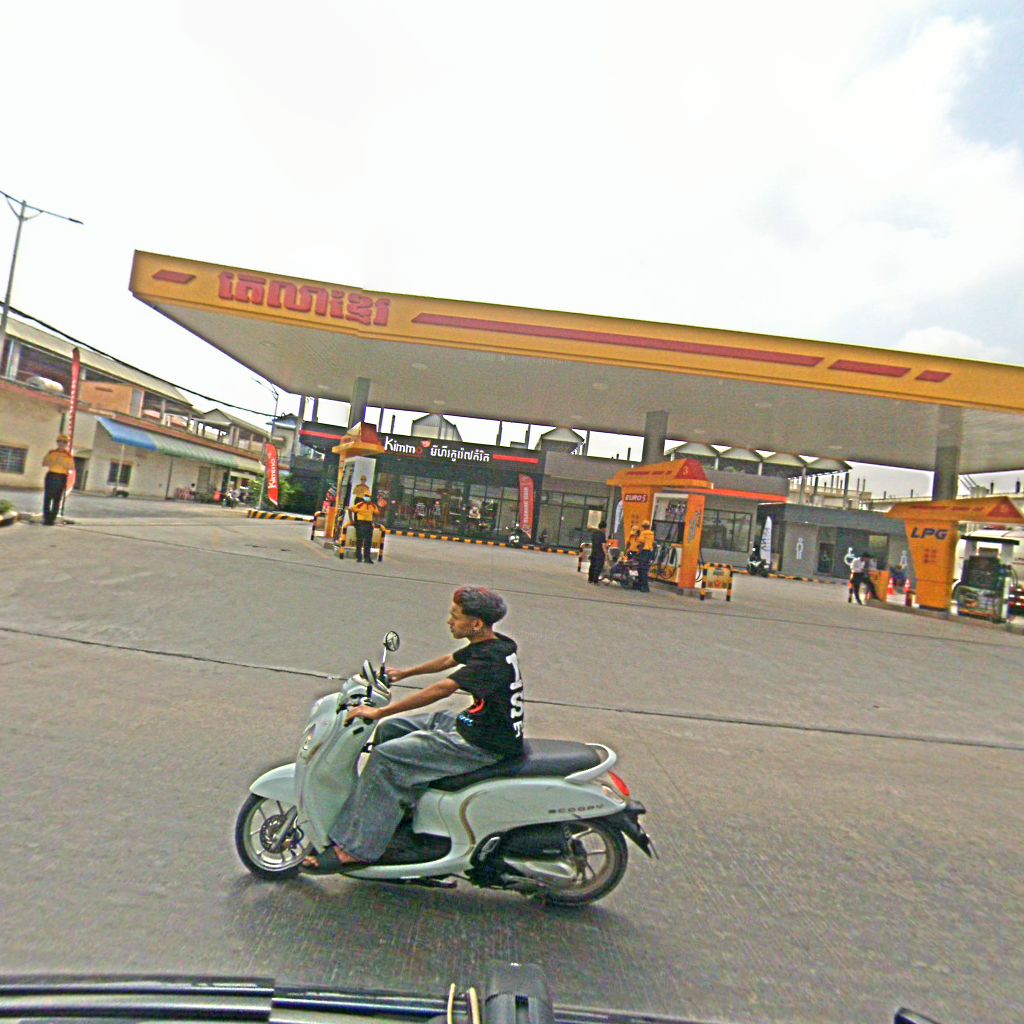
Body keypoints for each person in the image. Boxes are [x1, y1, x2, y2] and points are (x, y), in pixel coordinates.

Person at [302, 586, 523, 873]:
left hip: (481, 743)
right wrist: (405, 673)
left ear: (476, 623)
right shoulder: (495, 644)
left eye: (455, 616)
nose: (449, 621)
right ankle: (392, 813)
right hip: (474, 725)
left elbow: (442, 689)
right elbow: (449, 661)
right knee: (392, 730)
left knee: (386, 757)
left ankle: (354, 849)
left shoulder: (490, 660)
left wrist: (379, 711)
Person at [40, 434, 75, 525]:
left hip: (61, 477)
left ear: (66, 444)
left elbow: (72, 468)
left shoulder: (68, 455)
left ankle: (52, 519)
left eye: (64, 442)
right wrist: (51, 462)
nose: (62, 444)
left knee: (57, 498)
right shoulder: (51, 452)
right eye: (60, 441)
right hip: (51, 475)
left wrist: (63, 463)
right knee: (47, 498)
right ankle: (46, 518)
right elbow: (44, 463)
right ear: (57, 442)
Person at [349, 494, 380, 562]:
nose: (367, 498)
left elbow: (377, 513)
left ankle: (367, 558)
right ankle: (359, 557)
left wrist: (375, 522)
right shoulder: (360, 504)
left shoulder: (373, 505)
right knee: (359, 541)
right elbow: (350, 510)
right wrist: (351, 521)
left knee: (368, 541)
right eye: (366, 497)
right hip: (361, 523)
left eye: (369, 497)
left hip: (369, 524)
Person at [636, 521, 656, 592]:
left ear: (643, 527)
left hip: (644, 552)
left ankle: (644, 587)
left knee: (642, 569)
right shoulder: (652, 533)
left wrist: (638, 552)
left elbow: (642, 544)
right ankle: (641, 586)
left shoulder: (643, 533)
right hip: (650, 552)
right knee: (645, 569)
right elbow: (653, 544)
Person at [587, 519, 608, 584]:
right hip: (600, 553)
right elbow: (603, 545)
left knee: (592, 566)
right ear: (603, 528)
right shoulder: (602, 534)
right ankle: (595, 580)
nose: (606, 529)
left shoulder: (594, 533)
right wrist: (606, 554)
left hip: (593, 552)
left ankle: (590, 579)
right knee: (598, 567)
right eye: (605, 528)